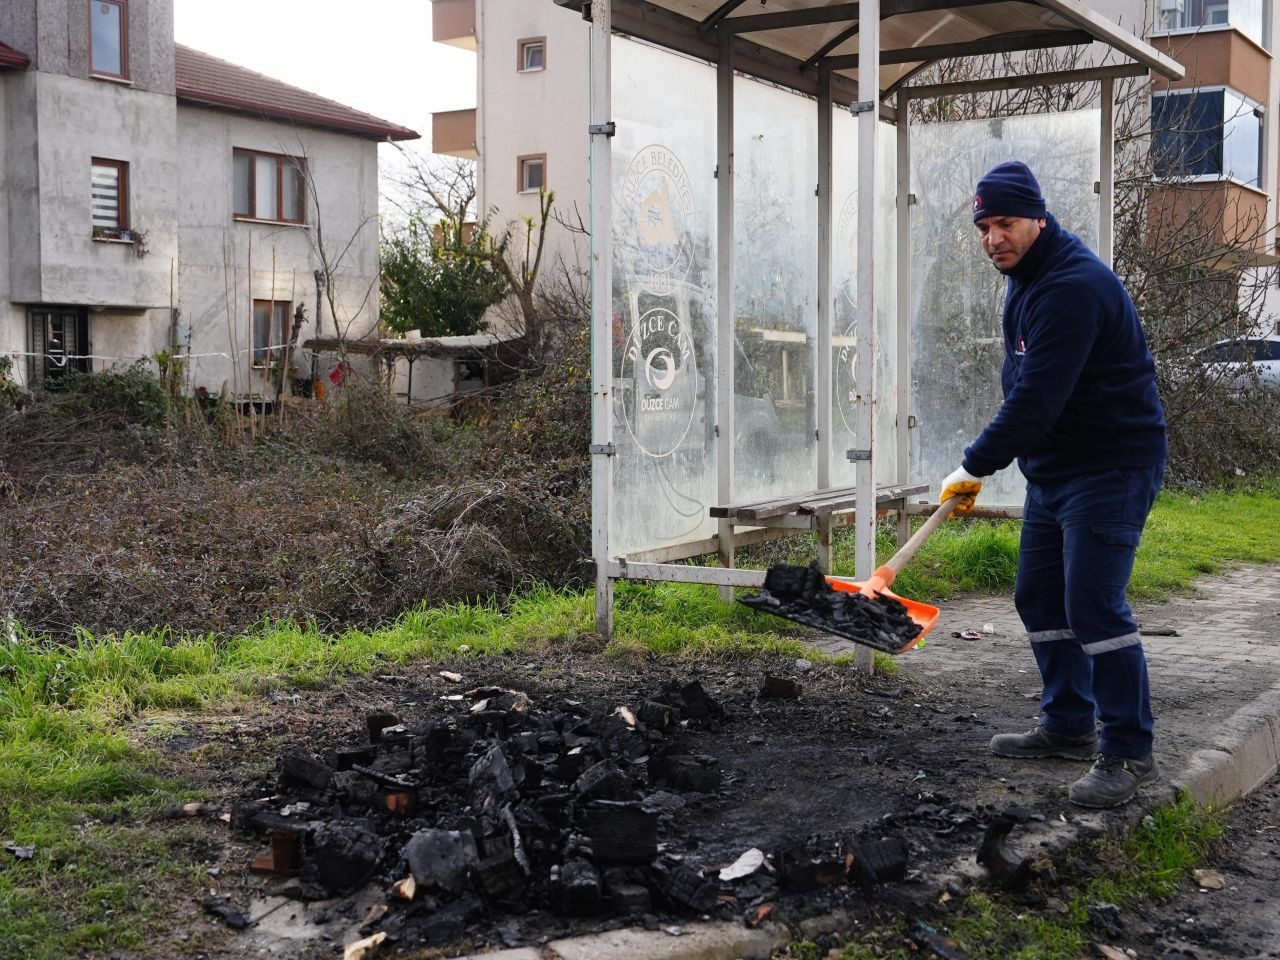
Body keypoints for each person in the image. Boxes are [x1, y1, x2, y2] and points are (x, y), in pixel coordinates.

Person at [938, 161, 1168, 809]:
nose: (992, 238)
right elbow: (1027, 388)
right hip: (1058, 469)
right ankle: (1068, 722)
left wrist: (974, 464)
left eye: (1005, 223)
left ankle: (1128, 748)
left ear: (1038, 217)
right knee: (1040, 598)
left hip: (1112, 466)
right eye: (983, 227)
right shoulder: (1028, 278)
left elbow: (1037, 400)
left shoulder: (1072, 286)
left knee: (1093, 603)